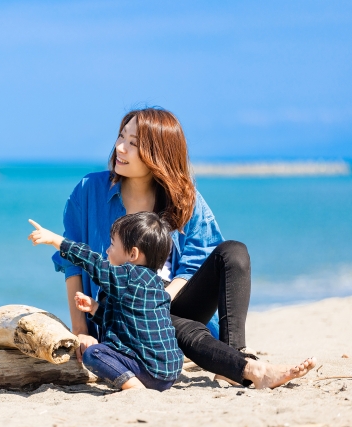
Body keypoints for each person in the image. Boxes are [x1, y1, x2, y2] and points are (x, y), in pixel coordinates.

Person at [51, 107, 315, 389]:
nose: (119, 147)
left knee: (234, 252)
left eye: (133, 143)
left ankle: (233, 357)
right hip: (121, 317)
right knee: (165, 320)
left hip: (172, 300)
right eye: (120, 136)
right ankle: (248, 369)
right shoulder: (89, 190)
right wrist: (80, 330)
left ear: (159, 153)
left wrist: (159, 299)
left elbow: (197, 260)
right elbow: (73, 263)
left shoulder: (184, 197)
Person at [28, 212, 182, 391]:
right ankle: (137, 384)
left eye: (112, 244)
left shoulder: (127, 276)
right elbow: (127, 325)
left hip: (149, 371)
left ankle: (134, 388)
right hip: (169, 372)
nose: (107, 250)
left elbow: (92, 262)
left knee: (94, 353)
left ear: (133, 254)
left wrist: (56, 240)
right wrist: (95, 309)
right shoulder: (155, 284)